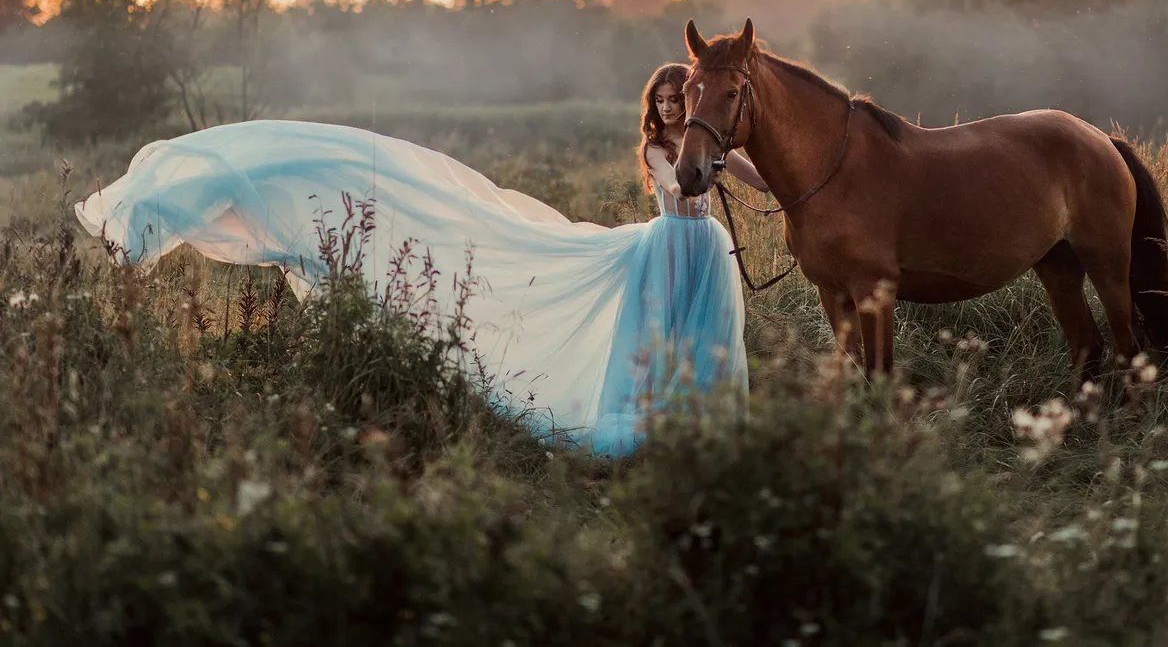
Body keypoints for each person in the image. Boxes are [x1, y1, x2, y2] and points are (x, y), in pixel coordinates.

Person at [72, 64, 768, 458]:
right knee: (656, 338)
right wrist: (705, 151)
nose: (670, 108)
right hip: (666, 247)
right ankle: (650, 429)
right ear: (658, 107)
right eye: (665, 101)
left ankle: (703, 429)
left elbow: (760, 180)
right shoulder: (660, 150)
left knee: (705, 341)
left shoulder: (703, 142)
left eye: (679, 101)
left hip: (705, 249)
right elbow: (684, 184)